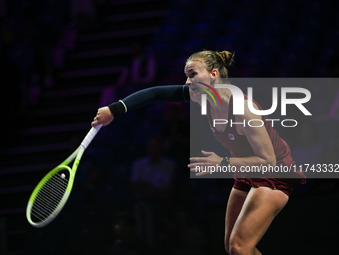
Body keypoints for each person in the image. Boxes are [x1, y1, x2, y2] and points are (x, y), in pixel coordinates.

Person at [91, 50, 305, 255]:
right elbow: (155, 93)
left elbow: (267, 160)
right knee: (234, 248)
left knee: (239, 246)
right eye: (187, 76)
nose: (187, 82)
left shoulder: (242, 108)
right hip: (247, 171)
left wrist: (222, 163)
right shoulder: (203, 96)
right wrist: (114, 110)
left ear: (213, 75)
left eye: (193, 75)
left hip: (275, 172)